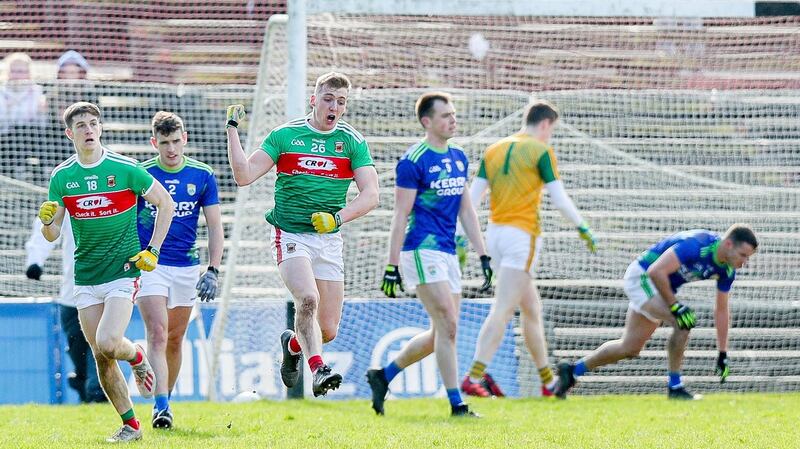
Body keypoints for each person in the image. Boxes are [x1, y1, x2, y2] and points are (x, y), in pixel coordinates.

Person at [225, 72, 379, 397]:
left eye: (340, 101)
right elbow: (244, 175)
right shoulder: (286, 135)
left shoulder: (352, 142)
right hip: (290, 233)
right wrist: (232, 130)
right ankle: (319, 369)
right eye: (328, 99)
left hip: (328, 239)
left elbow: (371, 195)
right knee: (307, 299)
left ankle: (293, 345)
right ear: (314, 100)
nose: (333, 106)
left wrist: (338, 218)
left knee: (328, 328)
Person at [39, 101, 173, 442]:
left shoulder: (124, 168)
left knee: (110, 342)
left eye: (92, 124)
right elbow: (53, 233)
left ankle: (138, 355)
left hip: (122, 272)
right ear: (70, 134)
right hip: (85, 277)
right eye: (80, 125)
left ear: (100, 129)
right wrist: (46, 222)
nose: (87, 130)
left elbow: (165, 203)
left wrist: (153, 250)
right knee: (101, 355)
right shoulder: (63, 177)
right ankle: (131, 425)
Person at [459, 100, 597, 398]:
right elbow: (559, 198)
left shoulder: (494, 149)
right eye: (552, 130)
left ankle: (548, 383)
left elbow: (473, 196)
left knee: (532, 309)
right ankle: (473, 376)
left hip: (495, 235)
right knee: (503, 308)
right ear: (545, 124)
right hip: (522, 237)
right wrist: (582, 226)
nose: (551, 136)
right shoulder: (540, 151)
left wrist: (461, 235)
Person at [369, 91, 493, 417]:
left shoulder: (458, 156)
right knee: (449, 325)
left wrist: (483, 255)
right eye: (445, 116)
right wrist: (391, 265)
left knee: (441, 332)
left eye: (453, 114)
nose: (453, 119)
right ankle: (458, 405)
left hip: (449, 252)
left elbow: (467, 210)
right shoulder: (413, 161)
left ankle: (384, 376)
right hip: (422, 251)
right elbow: (399, 215)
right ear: (427, 121)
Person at [555, 225, 758, 400]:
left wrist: (722, 353)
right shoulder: (696, 244)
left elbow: (721, 310)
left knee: (630, 348)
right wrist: (675, 305)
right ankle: (675, 387)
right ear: (729, 244)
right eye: (743, 255)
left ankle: (572, 371)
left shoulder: (727, 270)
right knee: (683, 322)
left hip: (657, 287)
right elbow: (655, 271)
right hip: (642, 277)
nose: (744, 263)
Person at [136, 111, 223, 429]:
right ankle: (161, 407)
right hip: (150, 264)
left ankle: (164, 399)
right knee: (157, 334)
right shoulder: (142, 174)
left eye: (176, 141)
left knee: (175, 338)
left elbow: (215, 226)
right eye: (164, 143)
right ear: (153, 143)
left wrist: (214, 269)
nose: (171, 149)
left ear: (184, 138)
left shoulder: (202, 175)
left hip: (187, 266)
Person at [25, 213, 106, 403]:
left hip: (106, 290)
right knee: (78, 347)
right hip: (72, 294)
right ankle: (82, 381)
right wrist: (35, 261)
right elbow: (45, 226)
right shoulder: (69, 193)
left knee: (102, 343)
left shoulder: (113, 193)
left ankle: (97, 392)